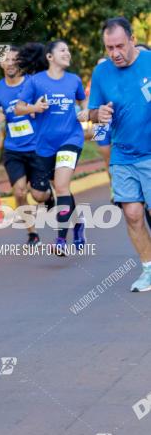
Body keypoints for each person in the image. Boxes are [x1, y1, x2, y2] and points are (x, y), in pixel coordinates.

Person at [88, 18, 151, 292]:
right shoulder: (101, 74)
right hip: (123, 155)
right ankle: (148, 269)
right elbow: (92, 112)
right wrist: (96, 115)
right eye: (109, 47)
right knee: (133, 214)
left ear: (132, 40)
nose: (115, 53)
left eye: (120, 46)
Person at [15, 41, 88, 256]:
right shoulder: (36, 82)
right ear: (49, 56)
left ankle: (60, 240)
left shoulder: (74, 80)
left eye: (68, 50)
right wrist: (34, 107)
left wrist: (85, 111)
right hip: (45, 145)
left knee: (63, 186)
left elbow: (84, 102)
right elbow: (19, 107)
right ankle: (78, 223)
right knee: (47, 191)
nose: (68, 53)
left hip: (71, 139)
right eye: (62, 50)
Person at [0, 47, 40, 246]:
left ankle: (48, 197)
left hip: (36, 146)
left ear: (20, 63)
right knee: (19, 192)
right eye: (6, 59)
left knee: (38, 194)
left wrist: (36, 110)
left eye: (14, 59)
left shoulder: (32, 83)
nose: (10, 63)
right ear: (1, 63)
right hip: (13, 149)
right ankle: (32, 233)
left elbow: (45, 105)